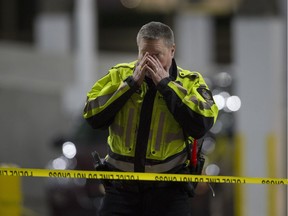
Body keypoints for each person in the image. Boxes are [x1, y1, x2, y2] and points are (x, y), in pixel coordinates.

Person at [83, 21, 218, 216]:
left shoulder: (191, 82)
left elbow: (201, 124)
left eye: (157, 55)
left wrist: (166, 85)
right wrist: (130, 85)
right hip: (121, 191)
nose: (149, 61)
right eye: (144, 54)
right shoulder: (119, 75)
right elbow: (92, 116)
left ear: (172, 51)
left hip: (169, 193)